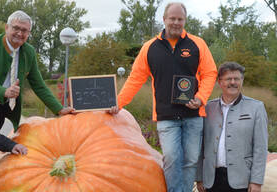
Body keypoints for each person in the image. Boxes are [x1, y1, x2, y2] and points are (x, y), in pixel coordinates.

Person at [0, 10, 74, 185]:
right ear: (6, 28)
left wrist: (59, 108)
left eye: (24, 30)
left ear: (29, 33)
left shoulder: (29, 52)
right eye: (16, 28)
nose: (20, 33)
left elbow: (39, 85)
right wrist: (4, 92)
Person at [110, 2, 217, 192]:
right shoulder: (149, 48)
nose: (176, 22)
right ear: (164, 19)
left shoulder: (197, 44)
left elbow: (210, 73)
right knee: (172, 159)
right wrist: (118, 103)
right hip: (166, 117)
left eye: (180, 19)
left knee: (191, 160)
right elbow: (135, 79)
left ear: (185, 20)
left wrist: (200, 98)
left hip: (193, 114)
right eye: (172, 18)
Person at [196, 62, 268, 192]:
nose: (233, 82)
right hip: (211, 180)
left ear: (242, 81)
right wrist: (199, 177)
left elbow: (261, 148)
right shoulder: (207, 108)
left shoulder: (256, 108)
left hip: (242, 179)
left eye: (237, 79)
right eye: (229, 79)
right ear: (220, 82)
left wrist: (256, 181)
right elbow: (200, 145)